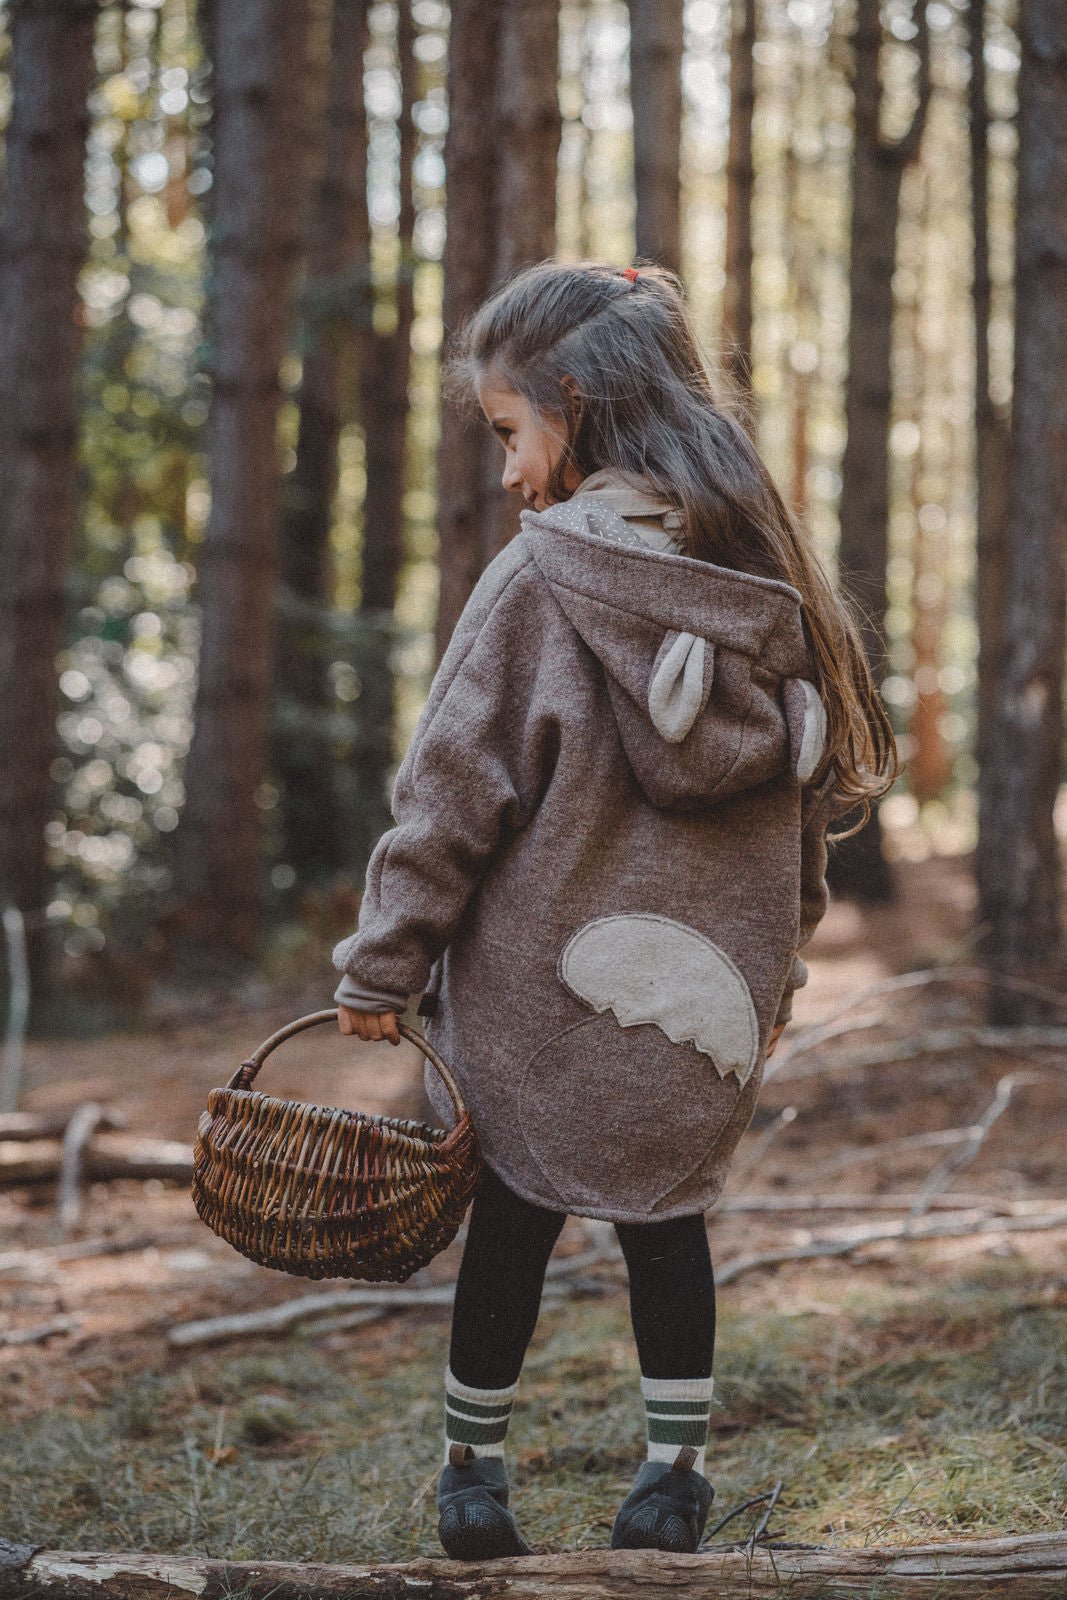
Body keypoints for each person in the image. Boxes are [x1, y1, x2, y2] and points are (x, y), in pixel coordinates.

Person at [332, 260, 897, 1559]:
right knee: (667, 1229)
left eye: (510, 433)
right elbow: (803, 826)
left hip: (533, 1009)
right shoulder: (772, 596)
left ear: (574, 409)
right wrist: (776, 972)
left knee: (512, 1226)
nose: (510, 470)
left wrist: (382, 967)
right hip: (700, 1015)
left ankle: (474, 1476)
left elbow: (448, 800)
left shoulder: (536, 589)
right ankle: (670, 1480)